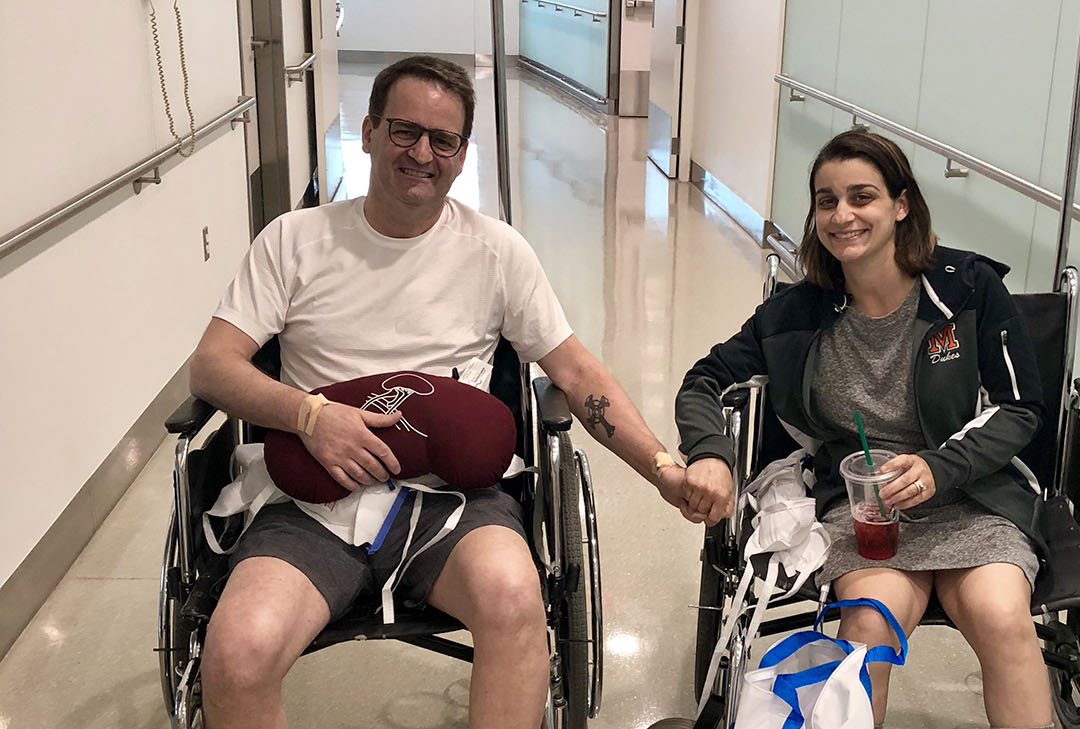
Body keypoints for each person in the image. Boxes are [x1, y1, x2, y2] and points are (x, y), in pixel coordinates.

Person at [190, 55, 699, 729]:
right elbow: (212, 367)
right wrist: (308, 414)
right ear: (368, 130)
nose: (422, 153)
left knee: (517, 603)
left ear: (462, 155)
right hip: (311, 497)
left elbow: (577, 374)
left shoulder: (496, 251)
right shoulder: (295, 240)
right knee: (236, 653)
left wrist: (663, 469)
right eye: (404, 131)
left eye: (444, 139)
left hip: (453, 501)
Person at [675, 129, 1054, 729]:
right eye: (827, 201)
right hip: (865, 512)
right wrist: (710, 453)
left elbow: (1022, 407)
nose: (842, 215)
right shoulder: (795, 314)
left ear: (901, 205)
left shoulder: (969, 291)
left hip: (973, 499)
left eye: (862, 197)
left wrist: (939, 466)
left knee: (1004, 620)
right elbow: (704, 380)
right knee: (867, 629)